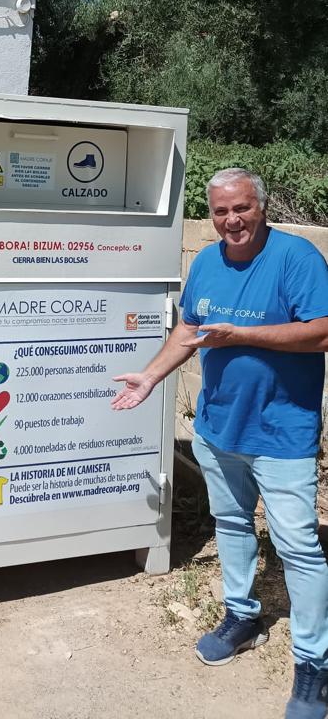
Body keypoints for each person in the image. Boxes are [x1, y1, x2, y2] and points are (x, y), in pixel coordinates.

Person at [112, 167, 328, 719]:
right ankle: (243, 617)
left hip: (281, 435)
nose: (232, 220)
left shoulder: (296, 259)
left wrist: (243, 335)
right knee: (231, 525)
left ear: (262, 206)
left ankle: (313, 668)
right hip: (217, 430)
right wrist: (151, 376)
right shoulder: (206, 262)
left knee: (299, 548)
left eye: (242, 208)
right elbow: (189, 330)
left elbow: (323, 330)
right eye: (221, 211)